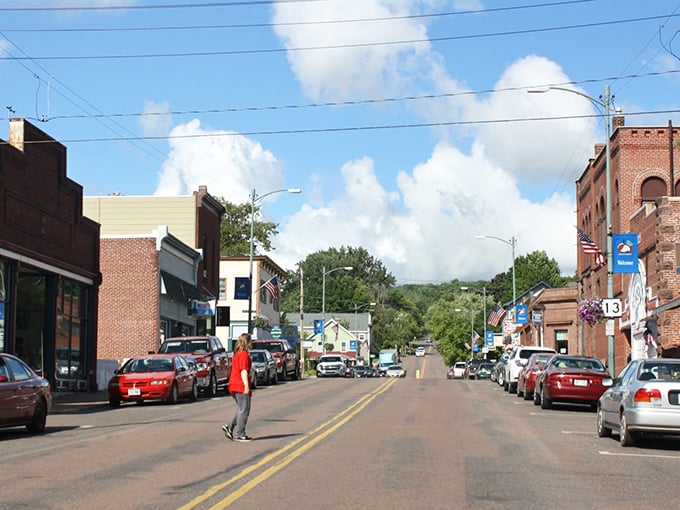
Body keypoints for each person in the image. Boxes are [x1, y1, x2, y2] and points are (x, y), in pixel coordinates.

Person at [222, 333, 253, 442]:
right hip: (240, 384)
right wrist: (246, 386)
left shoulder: (236, 354)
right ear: (247, 342)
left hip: (233, 384)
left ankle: (229, 426)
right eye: (250, 341)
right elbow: (243, 371)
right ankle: (240, 434)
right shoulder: (244, 354)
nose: (251, 343)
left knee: (241, 408)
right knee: (244, 409)